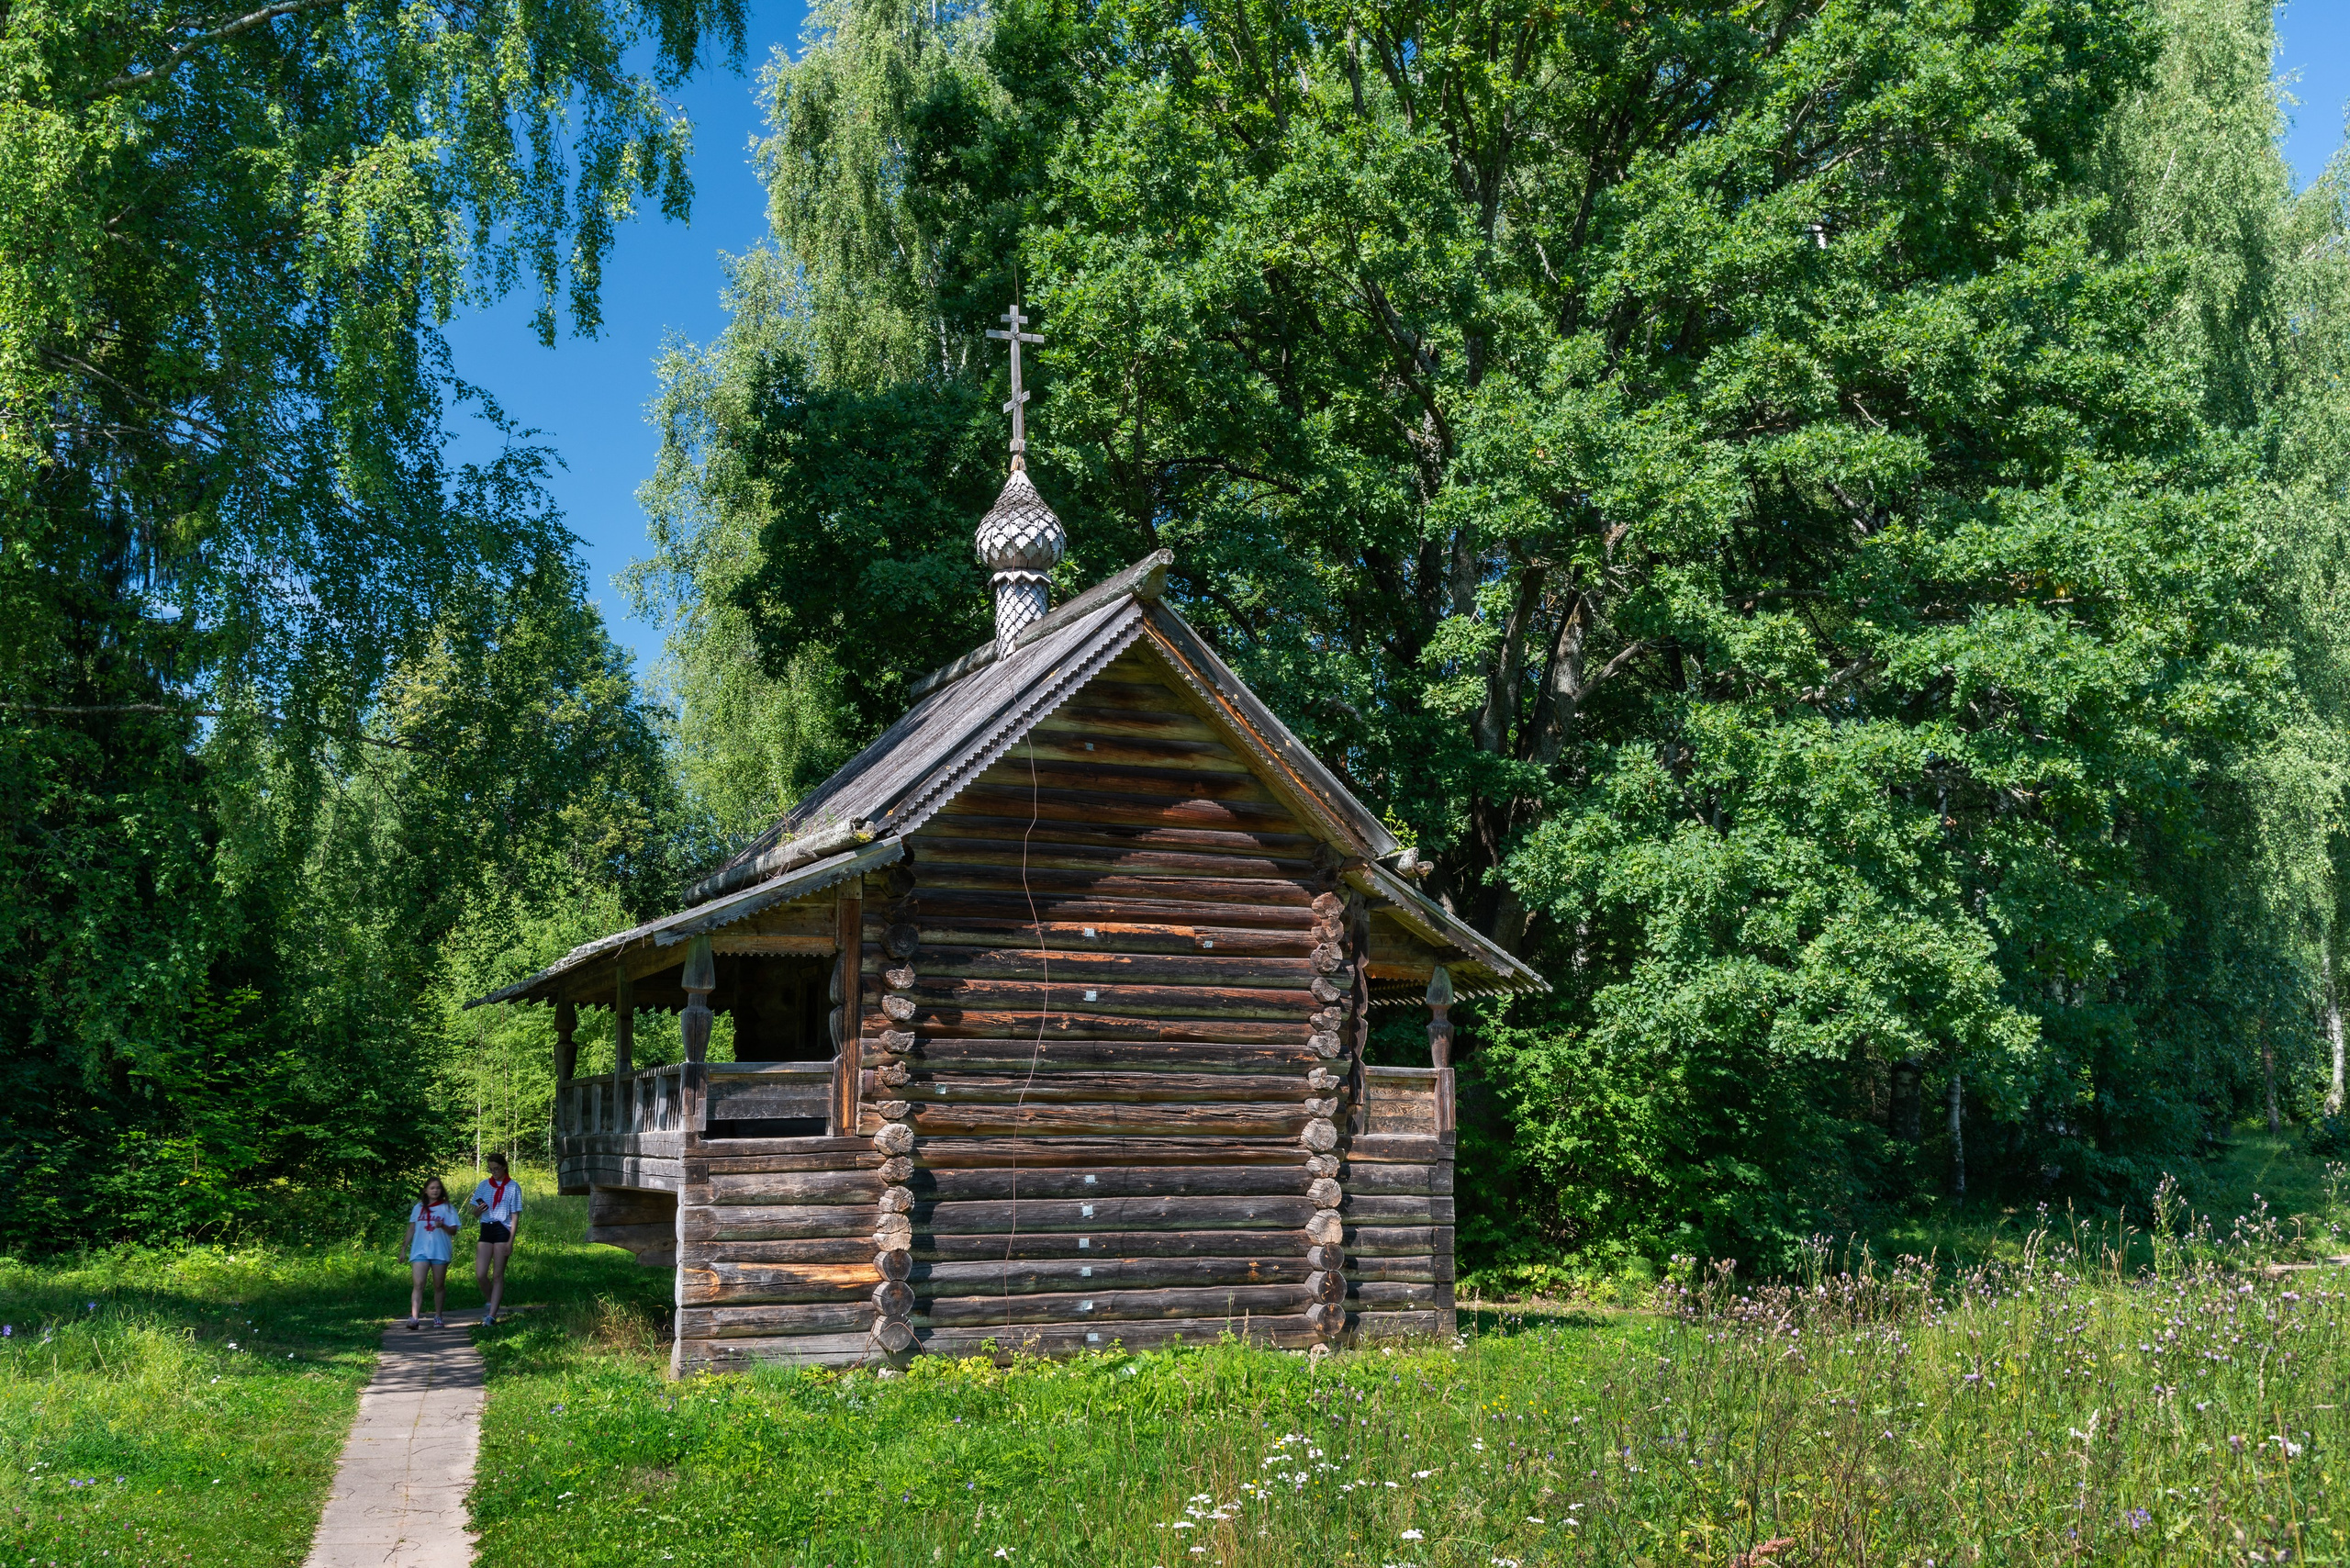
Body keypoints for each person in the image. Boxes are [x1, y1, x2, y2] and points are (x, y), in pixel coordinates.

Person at [469, 1152, 523, 1325]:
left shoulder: (513, 1187)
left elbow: (515, 1216)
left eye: (497, 1169)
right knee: (480, 1274)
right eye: (491, 1169)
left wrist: (510, 1241)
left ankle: (491, 1316)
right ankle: (491, 1300)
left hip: (503, 1229)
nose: (494, 1172)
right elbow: (474, 1213)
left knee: (498, 1275)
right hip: (486, 1228)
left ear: (504, 1167)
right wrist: (478, 1211)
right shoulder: (484, 1185)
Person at [403, 1177, 460, 1329]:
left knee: (438, 1285)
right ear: (425, 1191)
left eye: (438, 1188)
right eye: (432, 1188)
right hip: (420, 1251)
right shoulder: (418, 1207)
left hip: (440, 1251)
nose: (435, 1191)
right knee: (418, 1284)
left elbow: (454, 1230)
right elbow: (412, 1229)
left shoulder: (447, 1208)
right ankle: (414, 1317)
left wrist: (443, 1226)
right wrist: (403, 1249)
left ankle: (438, 1316)